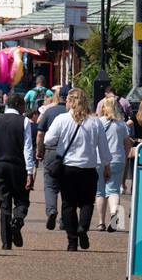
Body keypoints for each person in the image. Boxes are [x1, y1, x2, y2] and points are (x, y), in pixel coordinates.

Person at [43, 88, 111, 251]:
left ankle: (72, 241)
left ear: (72, 102)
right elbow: (104, 148)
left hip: (67, 168)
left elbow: (48, 139)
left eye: (67, 100)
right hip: (88, 168)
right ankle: (83, 228)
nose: (65, 103)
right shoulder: (95, 122)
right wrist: (106, 166)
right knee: (87, 202)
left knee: (68, 204)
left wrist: (61, 141)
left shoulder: (62, 119)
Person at [0, 94, 35, 250]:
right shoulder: (24, 121)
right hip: (18, 165)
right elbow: (28, 148)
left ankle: (6, 242)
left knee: (4, 203)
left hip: (0, 164)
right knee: (22, 199)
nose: (25, 108)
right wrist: (30, 171)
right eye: (23, 105)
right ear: (18, 104)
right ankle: (17, 220)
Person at [95, 96, 132, 232]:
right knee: (114, 190)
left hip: (99, 160)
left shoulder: (98, 123)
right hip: (117, 159)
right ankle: (114, 213)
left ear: (104, 108)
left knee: (100, 192)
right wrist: (125, 155)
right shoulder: (122, 124)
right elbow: (127, 144)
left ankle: (100, 222)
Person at [36, 88, 68, 230]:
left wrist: (39, 150)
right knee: (67, 187)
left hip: (51, 151)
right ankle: (65, 219)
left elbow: (40, 133)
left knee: (50, 185)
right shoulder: (74, 114)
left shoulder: (49, 112)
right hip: (69, 153)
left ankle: (51, 211)